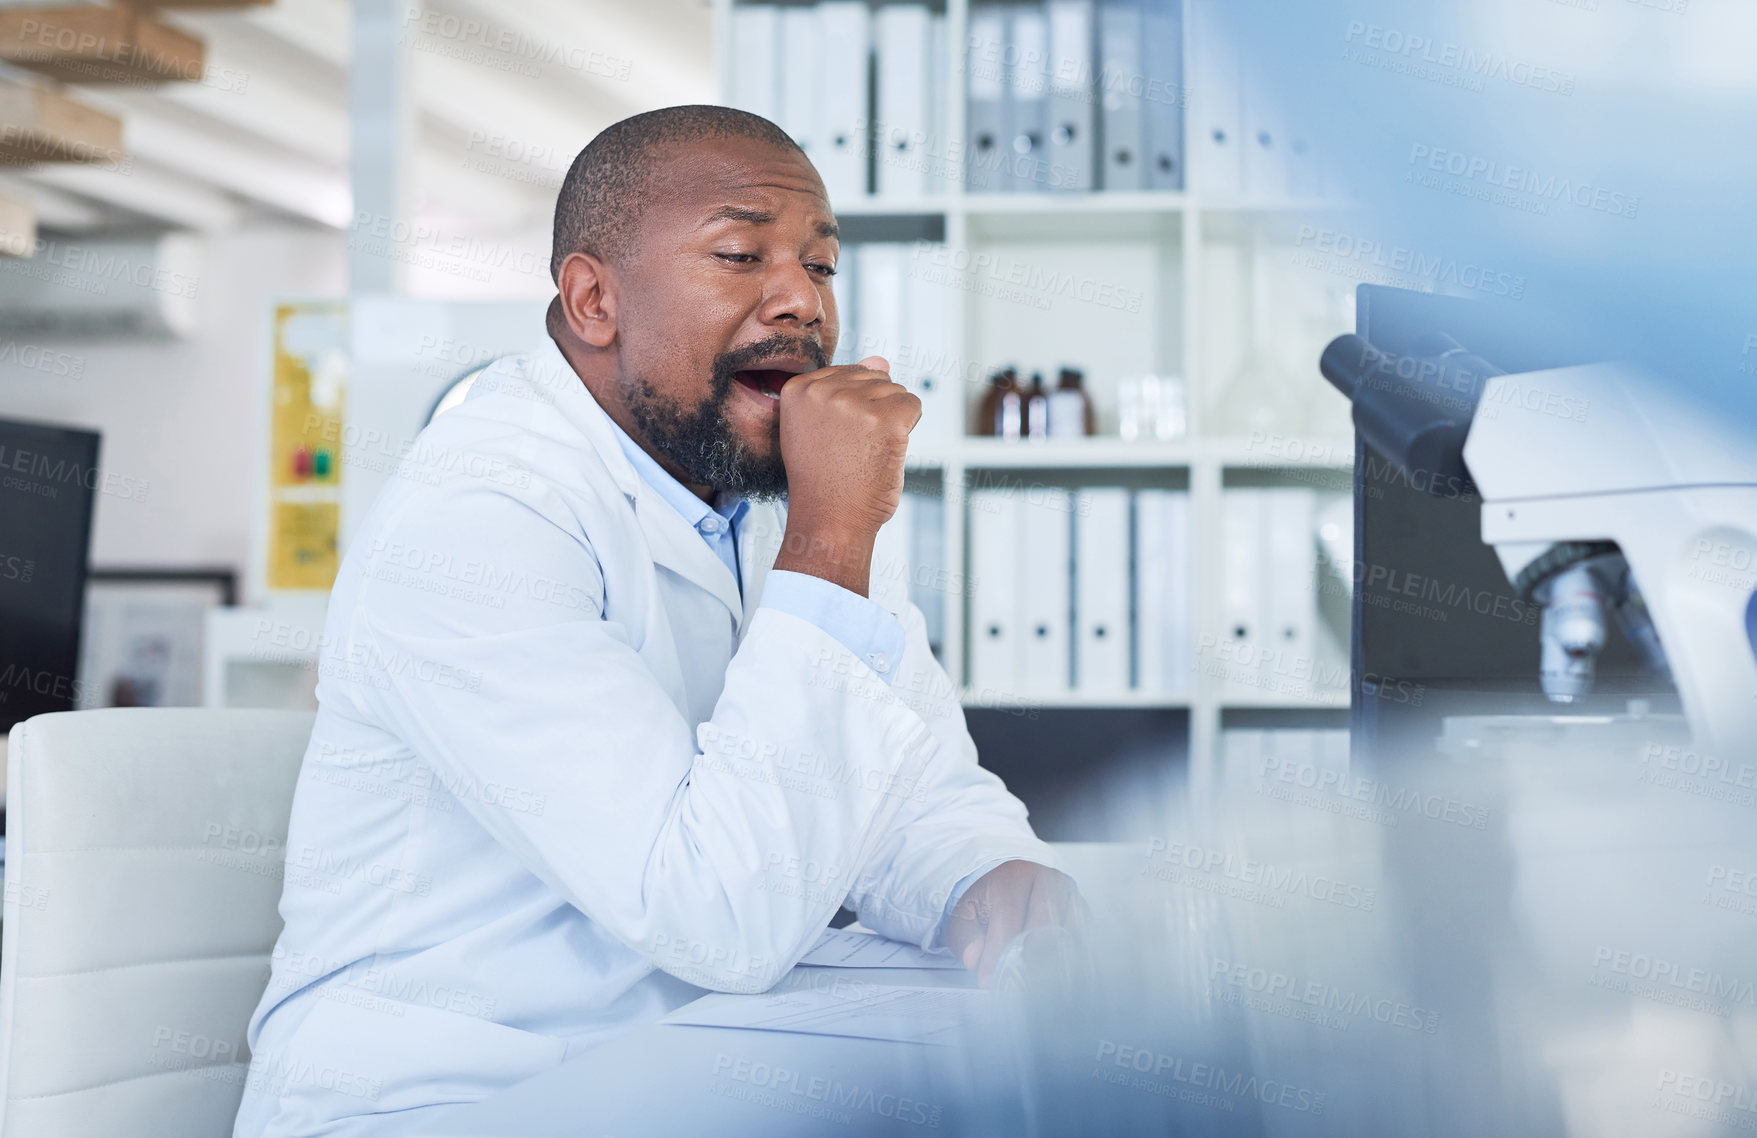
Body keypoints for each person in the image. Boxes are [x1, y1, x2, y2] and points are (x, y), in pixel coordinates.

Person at [233, 105, 1077, 1138]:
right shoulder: (478, 515)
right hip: (462, 1095)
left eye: (820, 266)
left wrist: (979, 877)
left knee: (1067, 1052)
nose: (800, 304)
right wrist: (832, 537)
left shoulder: (764, 501)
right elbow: (717, 917)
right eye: (740, 254)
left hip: (674, 1060)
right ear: (594, 299)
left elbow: (908, 793)